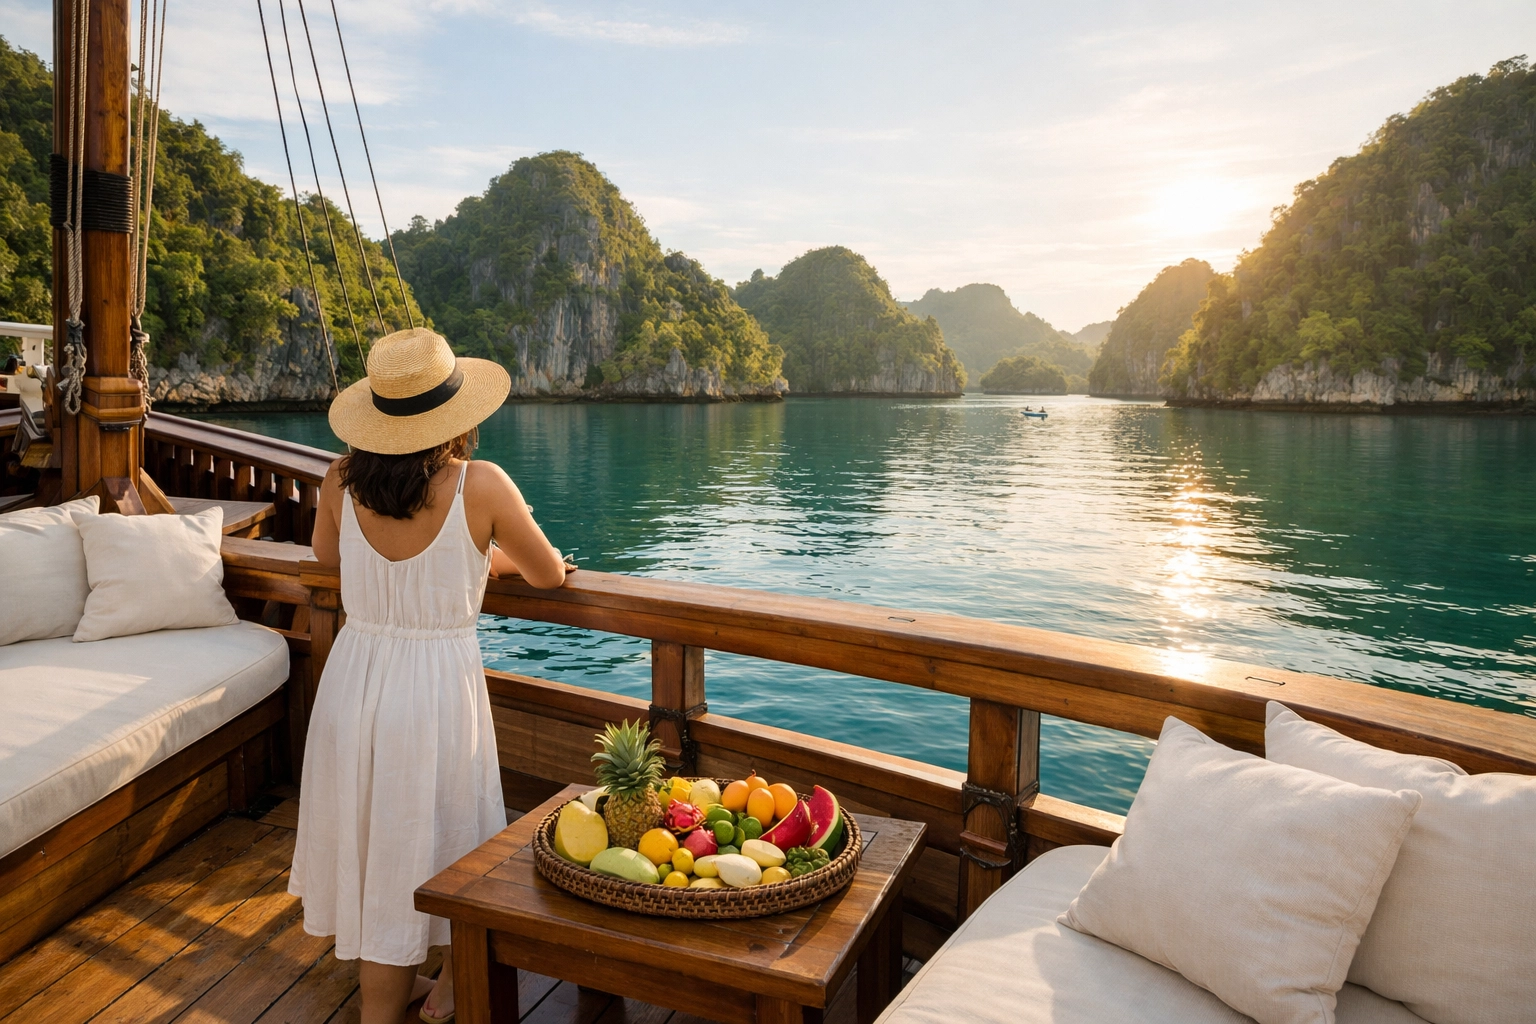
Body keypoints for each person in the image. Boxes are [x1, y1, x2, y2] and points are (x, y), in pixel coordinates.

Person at [290, 328, 568, 1024]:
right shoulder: (483, 486)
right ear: (457, 413)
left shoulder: (338, 479)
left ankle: (425, 993)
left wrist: (463, 563)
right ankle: (395, 1009)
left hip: (355, 677)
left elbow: (330, 558)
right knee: (435, 832)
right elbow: (546, 572)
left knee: (377, 835)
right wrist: (480, 562)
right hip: (434, 687)